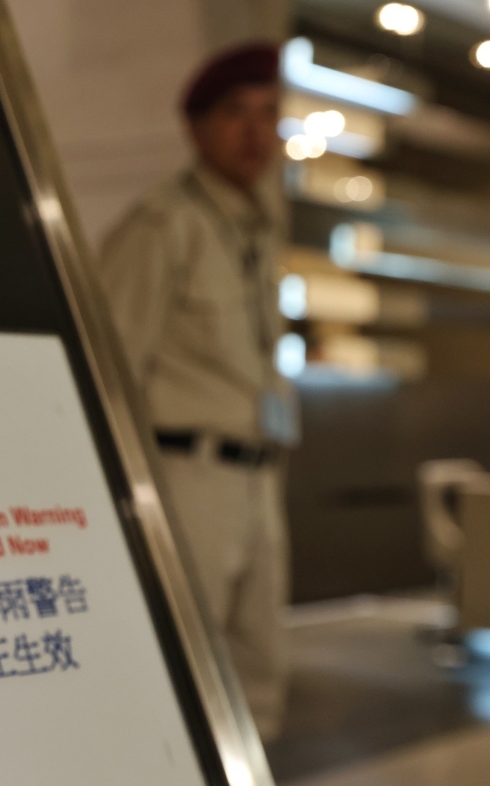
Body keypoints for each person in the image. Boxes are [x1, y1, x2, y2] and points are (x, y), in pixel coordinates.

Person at [96, 43, 296, 741]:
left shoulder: (256, 229)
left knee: (259, 664)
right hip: (187, 472)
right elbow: (109, 365)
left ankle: (252, 776)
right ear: (196, 127)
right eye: (236, 113)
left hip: (257, 473)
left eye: (269, 114)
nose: (255, 132)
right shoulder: (163, 224)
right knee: (183, 655)